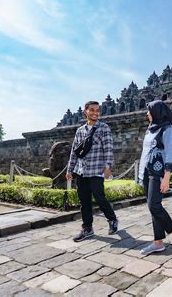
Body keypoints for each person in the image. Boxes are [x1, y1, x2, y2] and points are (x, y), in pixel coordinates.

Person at [66, 101, 118, 242]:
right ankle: (87, 228)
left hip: (96, 169)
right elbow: (74, 152)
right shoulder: (80, 130)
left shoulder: (104, 128)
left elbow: (108, 148)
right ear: (85, 111)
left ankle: (112, 219)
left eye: (97, 110)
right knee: (84, 201)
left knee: (99, 197)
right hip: (81, 171)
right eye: (92, 110)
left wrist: (107, 166)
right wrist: (70, 169)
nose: (95, 112)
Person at [138, 100, 172, 254]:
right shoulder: (149, 129)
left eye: (149, 110)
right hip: (146, 171)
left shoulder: (167, 129)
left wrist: (167, 176)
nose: (147, 113)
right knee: (153, 209)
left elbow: (169, 153)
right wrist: (140, 174)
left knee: (154, 205)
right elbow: (145, 152)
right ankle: (158, 242)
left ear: (157, 112)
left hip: (158, 172)